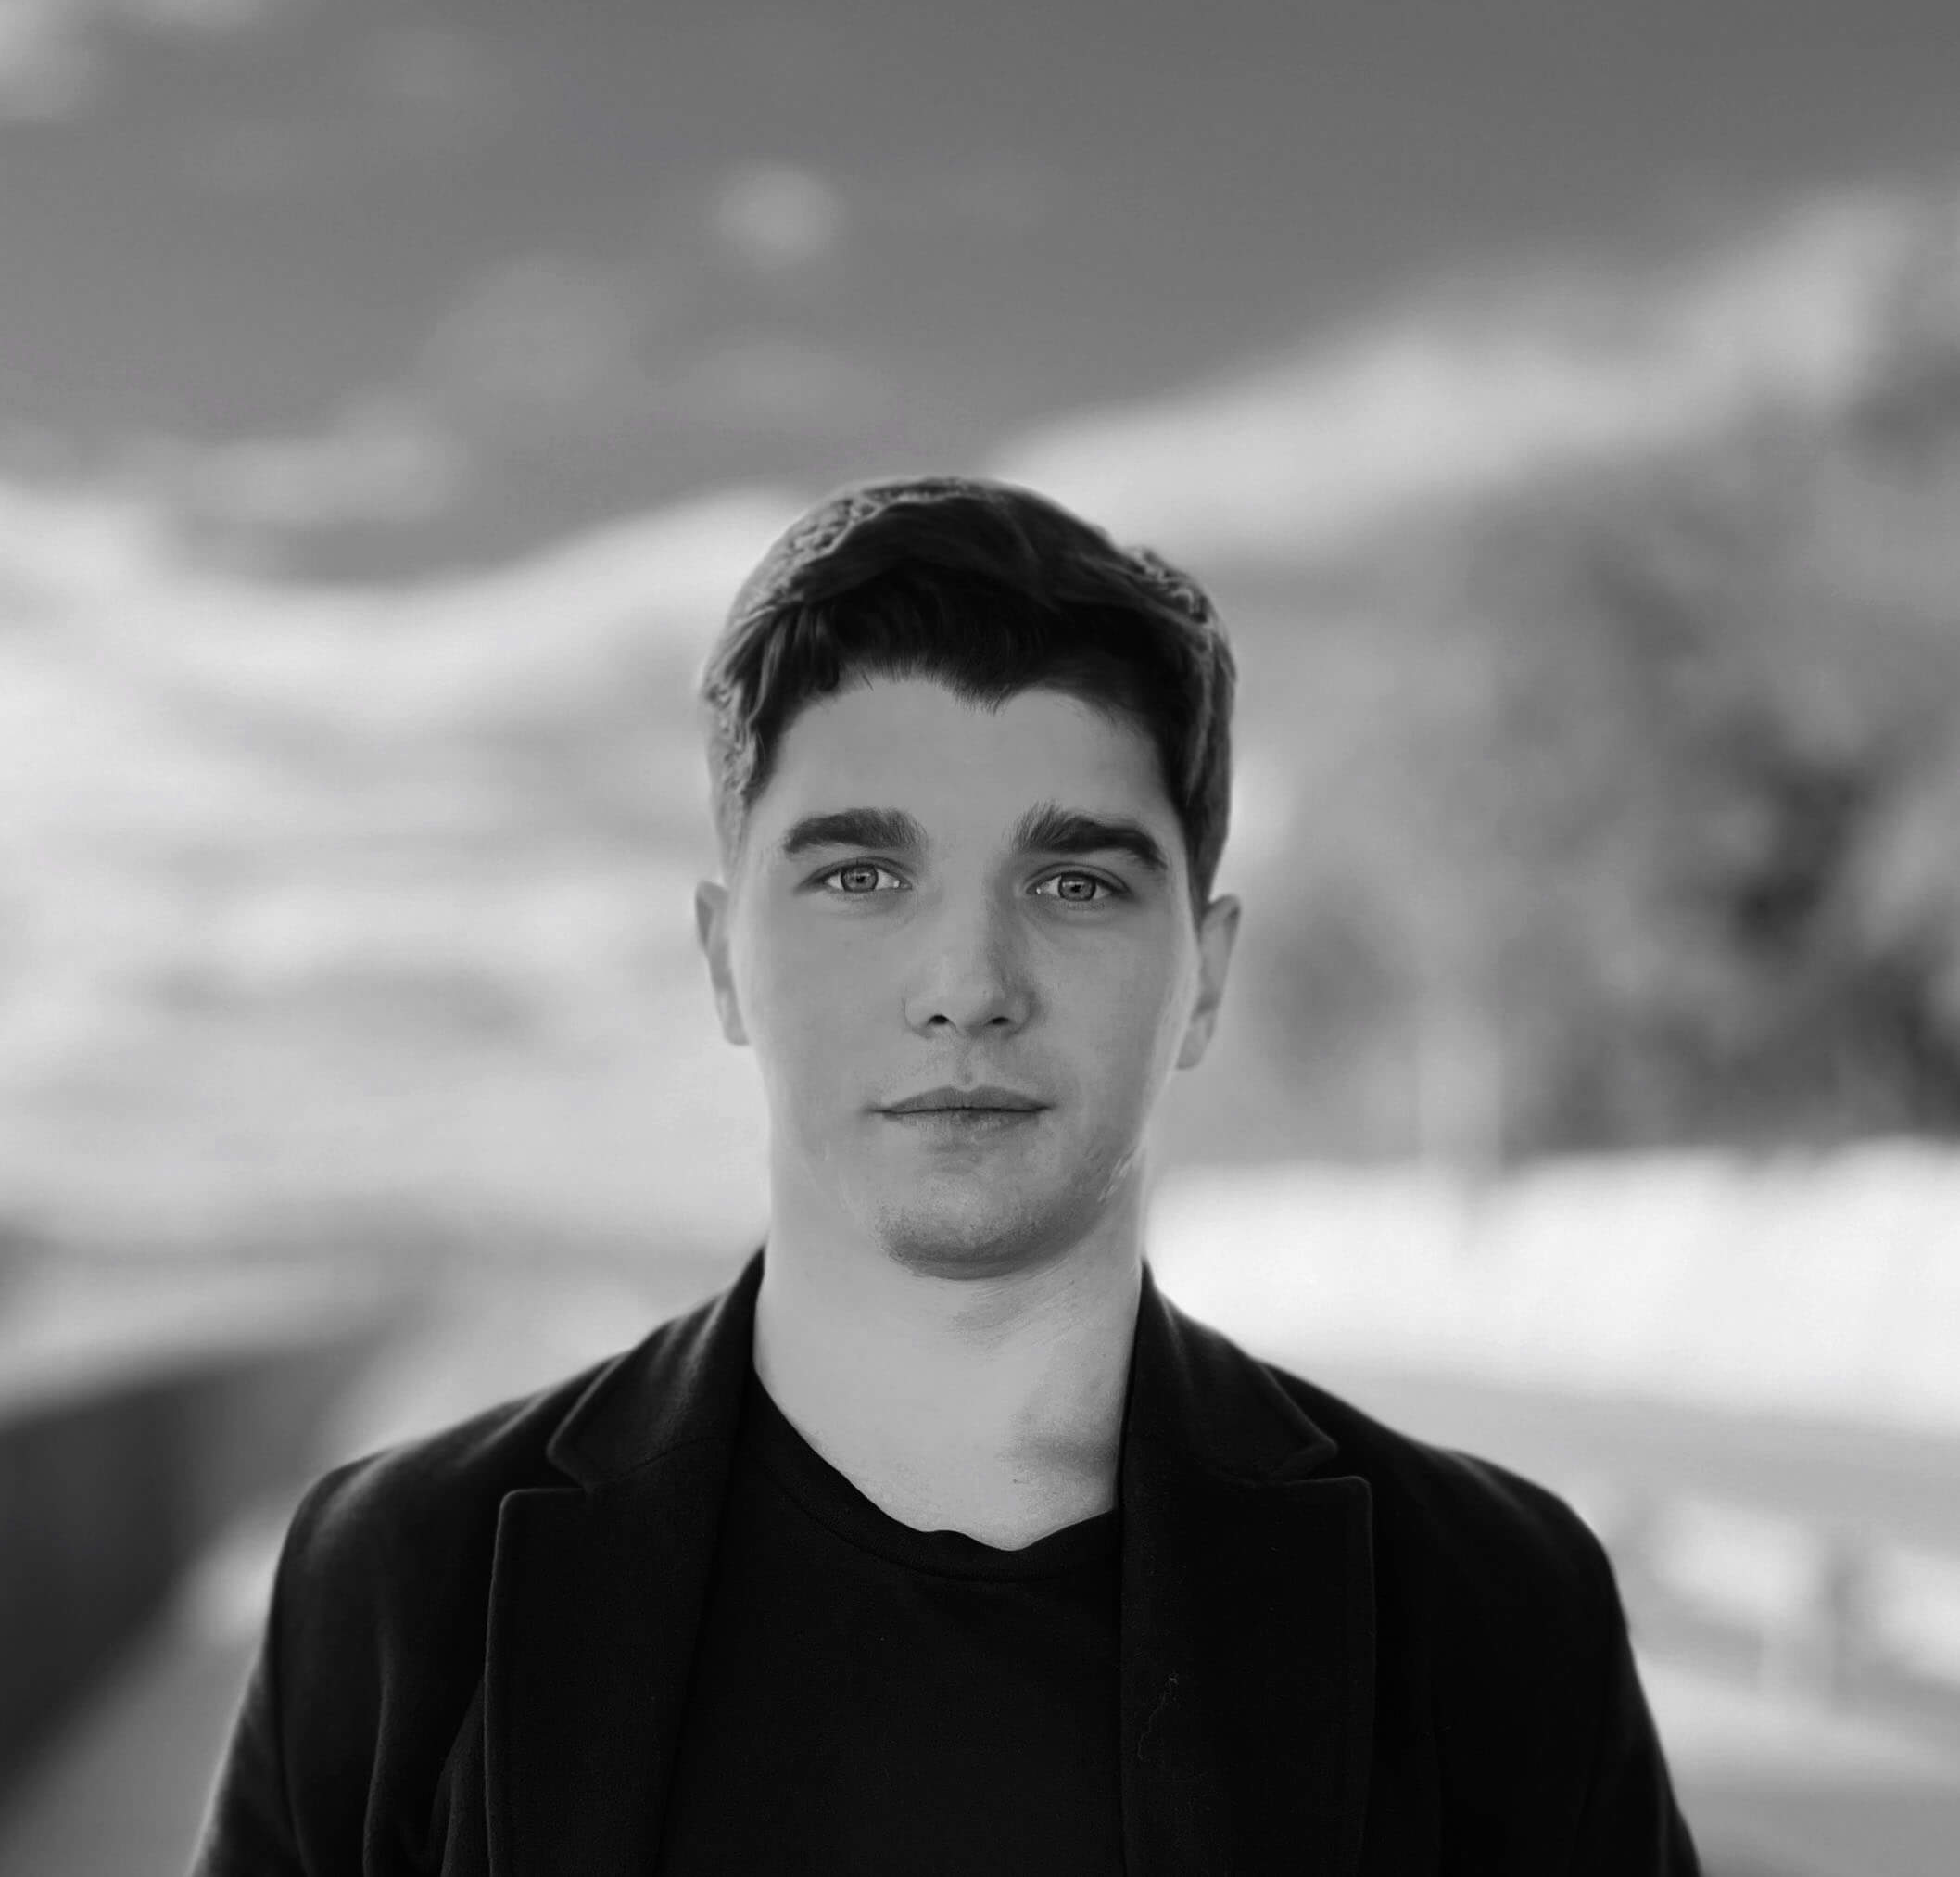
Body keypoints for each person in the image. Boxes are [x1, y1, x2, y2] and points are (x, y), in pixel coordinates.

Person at [191, 476, 1700, 1874]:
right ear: (722, 959)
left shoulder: (1496, 1613)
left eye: (1076, 882)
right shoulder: (398, 1588)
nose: (969, 984)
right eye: (861, 877)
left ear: (1207, 976)